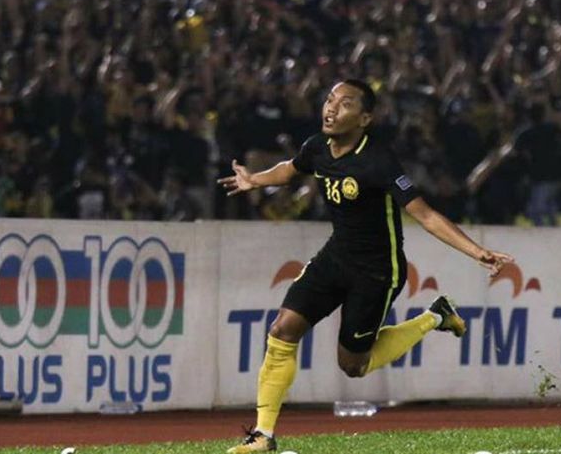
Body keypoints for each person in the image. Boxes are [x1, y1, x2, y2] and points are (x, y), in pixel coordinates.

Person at [217, 79, 514, 453]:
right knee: (283, 328)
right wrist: (255, 180)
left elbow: (425, 215)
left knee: (353, 367)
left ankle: (436, 316)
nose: (331, 108)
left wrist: (476, 251)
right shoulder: (317, 147)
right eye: (329, 100)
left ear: (365, 118)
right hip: (335, 257)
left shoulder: (379, 161)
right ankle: (263, 436)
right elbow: (291, 168)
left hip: (376, 271)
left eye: (345, 104)